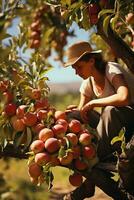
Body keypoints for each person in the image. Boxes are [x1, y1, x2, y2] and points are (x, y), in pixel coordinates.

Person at [63, 41, 134, 200]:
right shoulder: (87, 82)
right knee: (72, 116)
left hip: (130, 119)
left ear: (91, 61)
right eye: (74, 69)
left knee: (109, 111)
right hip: (113, 124)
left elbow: (124, 97)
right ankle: (86, 157)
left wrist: (94, 102)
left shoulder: (111, 69)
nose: (76, 72)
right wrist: (74, 113)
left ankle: (89, 177)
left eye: (78, 67)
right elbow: (82, 113)